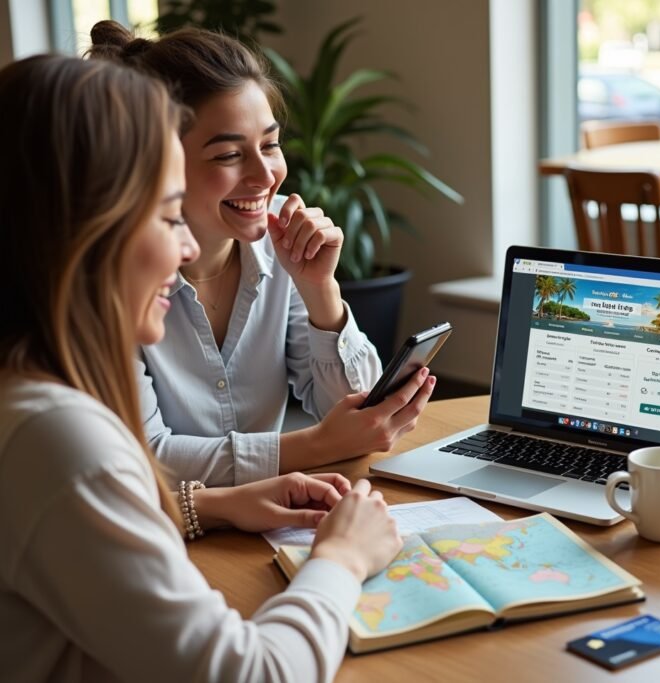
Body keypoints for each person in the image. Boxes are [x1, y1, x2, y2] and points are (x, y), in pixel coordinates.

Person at [0, 54, 402, 682]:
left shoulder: (32, 394)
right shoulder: (57, 439)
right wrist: (343, 559)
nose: (187, 246)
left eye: (270, 144)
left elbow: (361, 406)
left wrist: (211, 505)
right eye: (166, 215)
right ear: (84, 231)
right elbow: (252, 676)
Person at [88, 21, 436, 486]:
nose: (264, 175)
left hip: (267, 517)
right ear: (157, 163)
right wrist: (318, 445)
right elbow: (147, 459)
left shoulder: (277, 240)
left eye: (270, 145)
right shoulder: (112, 279)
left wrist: (320, 290)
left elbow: (354, 414)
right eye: (229, 155)